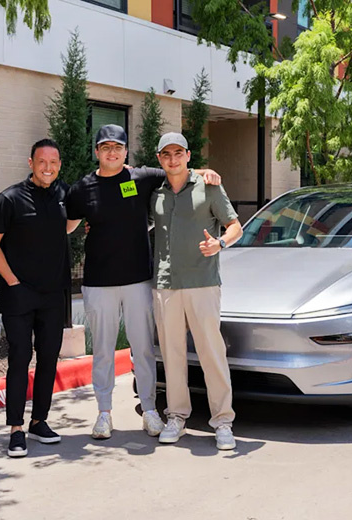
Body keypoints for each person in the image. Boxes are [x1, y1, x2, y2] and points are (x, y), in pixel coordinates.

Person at [65, 124, 222, 440]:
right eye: (106, 147)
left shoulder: (143, 177)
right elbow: (67, 226)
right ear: (97, 152)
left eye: (117, 147)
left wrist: (206, 172)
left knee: (143, 349)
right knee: (103, 350)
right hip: (98, 282)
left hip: (138, 280)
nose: (112, 152)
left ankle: (149, 410)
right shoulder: (82, 188)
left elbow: (177, 170)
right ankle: (104, 413)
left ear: (126, 151)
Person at [0, 138, 79, 458]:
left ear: (59, 165)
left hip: (53, 294)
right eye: (42, 162)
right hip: (19, 294)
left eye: (53, 162)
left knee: (49, 358)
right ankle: (16, 429)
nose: (47, 168)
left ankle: (39, 421)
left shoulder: (65, 194)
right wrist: (12, 281)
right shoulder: (9, 199)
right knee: (20, 357)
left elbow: (68, 226)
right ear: (31, 163)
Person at [150, 132, 243, 451]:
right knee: (172, 355)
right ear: (159, 159)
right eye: (166, 154)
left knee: (211, 354)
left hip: (203, 283)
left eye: (178, 153)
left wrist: (220, 244)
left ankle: (223, 421)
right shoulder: (155, 192)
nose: (172, 159)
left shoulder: (210, 187)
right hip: (165, 284)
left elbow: (235, 227)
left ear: (188, 155)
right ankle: (176, 416)